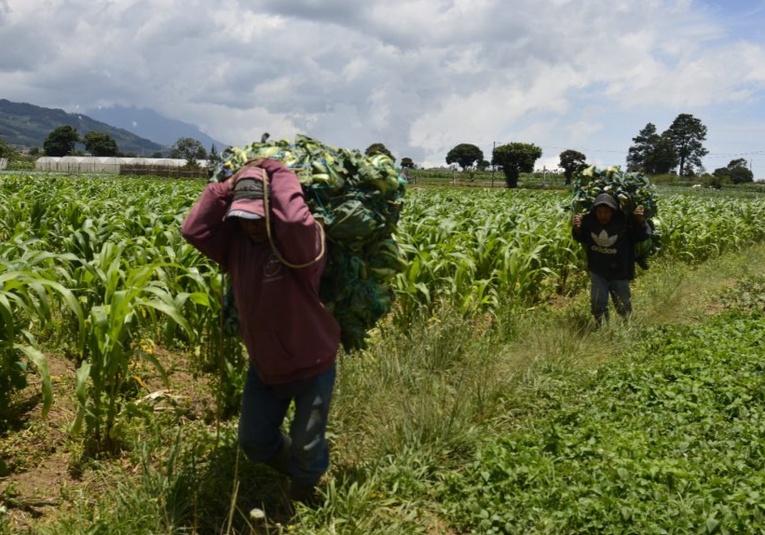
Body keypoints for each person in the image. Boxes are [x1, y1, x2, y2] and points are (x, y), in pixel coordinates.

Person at [181, 158, 341, 503]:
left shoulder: (300, 248)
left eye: (257, 216)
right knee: (253, 441)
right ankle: (296, 469)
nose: (250, 225)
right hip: (266, 366)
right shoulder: (235, 249)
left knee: (307, 440)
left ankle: (305, 491)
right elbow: (193, 229)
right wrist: (231, 183)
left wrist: (277, 171)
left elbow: (296, 221)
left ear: (272, 210)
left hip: (312, 362)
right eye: (242, 217)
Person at [571, 192, 652, 325]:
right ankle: (601, 327)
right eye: (599, 212)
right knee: (597, 301)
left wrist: (640, 220)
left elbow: (642, 236)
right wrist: (577, 229)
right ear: (595, 211)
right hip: (598, 269)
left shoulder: (624, 222)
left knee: (623, 302)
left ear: (613, 211)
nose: (603, 215)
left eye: (606, 212)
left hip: (620, 270)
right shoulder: (590, 221)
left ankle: (627, 326)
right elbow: (581, 237)